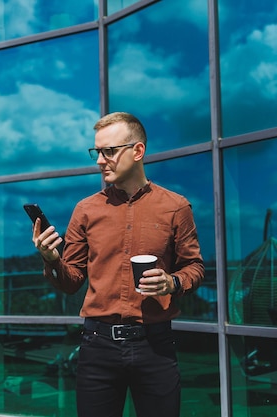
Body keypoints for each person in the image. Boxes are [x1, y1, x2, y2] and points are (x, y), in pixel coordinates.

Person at [31, 112, 204, 417]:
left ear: (138, 151)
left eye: (108, 151)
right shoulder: (85, 210)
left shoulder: (176, 207)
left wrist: (171, 282)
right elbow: (71, 281)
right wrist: (51, 259)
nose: (100, 160)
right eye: (96, 152)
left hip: (156, 346)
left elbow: (194, 267)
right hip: (97, 347)